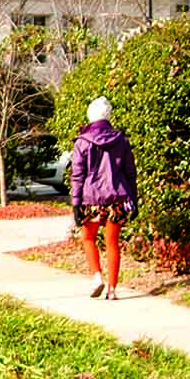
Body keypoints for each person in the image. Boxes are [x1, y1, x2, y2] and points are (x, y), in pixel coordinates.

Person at [70, 96, 138, 301]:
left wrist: (75, 203)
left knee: (88, 238)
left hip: (90, 199)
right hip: (117, 198)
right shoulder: (121, 141)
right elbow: (130, 172)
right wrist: (133, 199)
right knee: (112, 243)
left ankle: (97, 276)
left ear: (90, 117)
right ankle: (112, 289)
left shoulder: (82, 143)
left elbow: (77, 175)